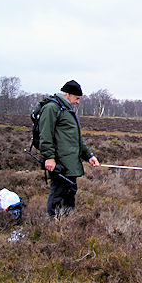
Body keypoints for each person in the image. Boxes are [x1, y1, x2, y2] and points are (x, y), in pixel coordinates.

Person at [39, 80, 100, 217]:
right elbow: (45, 135)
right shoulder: (52, 108)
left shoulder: (68, 110)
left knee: (70, 193)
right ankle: (53, 226)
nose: (78, 102)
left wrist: (89, 156)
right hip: (59, 162)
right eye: (77, 98)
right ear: (67, 94)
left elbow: (76, 138)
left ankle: (68, 225)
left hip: (71, 163)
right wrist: (49, 157)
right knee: (58, 193)